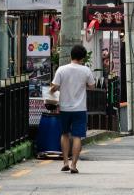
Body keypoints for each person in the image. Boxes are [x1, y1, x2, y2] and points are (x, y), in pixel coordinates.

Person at [50, 43, 95, 174]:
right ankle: (74, 165)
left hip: (64, 108)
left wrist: (53, 89)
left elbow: (54, 87)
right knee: (77, 137)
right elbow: (92, 86)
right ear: (83, 58)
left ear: (71, 55)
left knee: (64, 134)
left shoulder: (61, 69)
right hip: (80, 108)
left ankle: (65, 162)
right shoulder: (85, 70)